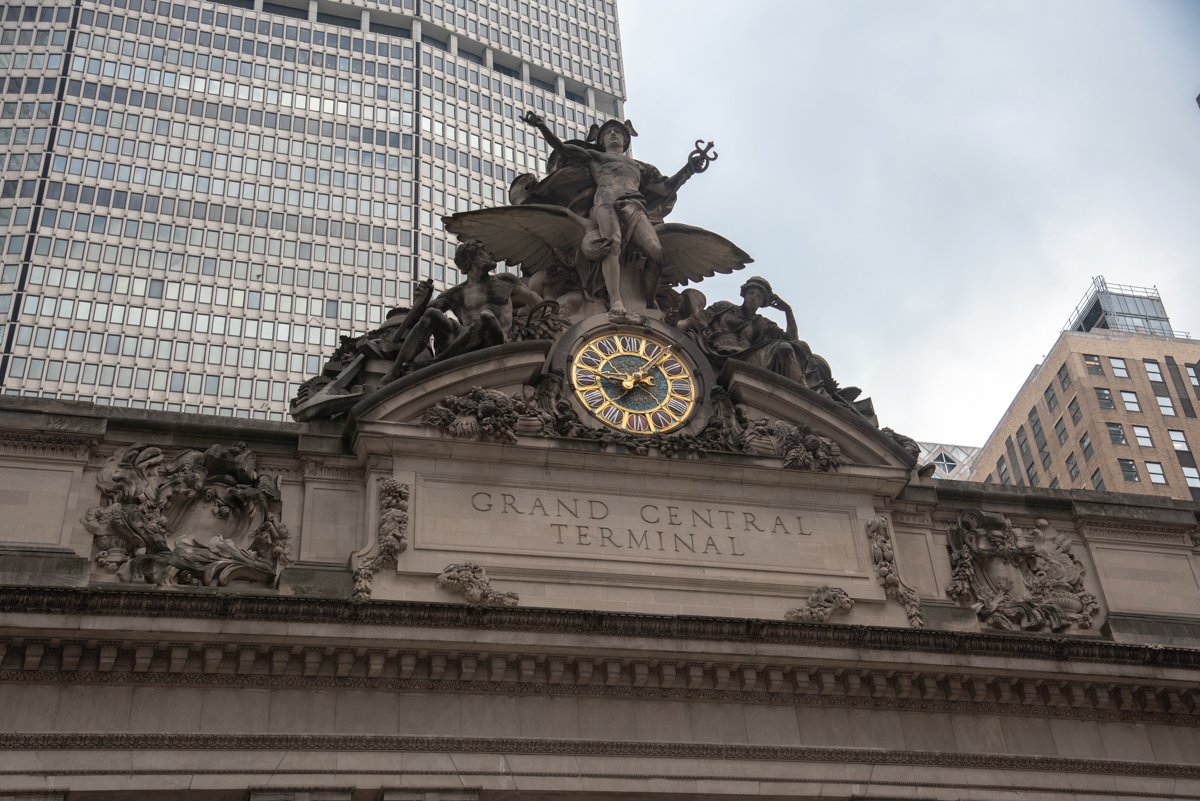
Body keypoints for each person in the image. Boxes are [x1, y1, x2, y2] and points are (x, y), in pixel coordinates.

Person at [520, 111, 697, 313]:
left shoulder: (641, 167)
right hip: (606, 201)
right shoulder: (596, 157)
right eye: (608, 132)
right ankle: (616, 301)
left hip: (634, 204)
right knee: (612, 243)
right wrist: (542, 126)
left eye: (618, 131)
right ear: (602, 140)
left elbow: (665, 188)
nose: (613, 134)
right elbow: (563, 148)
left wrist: (688, 169)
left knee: (655, 251)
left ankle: (649, 301)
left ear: (626, 140)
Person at [387, 240, 542, 378]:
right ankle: (393, 373)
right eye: (483, 252)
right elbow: (419, 319)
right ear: (470, 260)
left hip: (493, 340)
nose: (490, 253)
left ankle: (433, 364)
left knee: (486, 317)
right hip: (462, 343)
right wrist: (422, 299)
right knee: (432, 313)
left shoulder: (506, 281)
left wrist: (528, 322)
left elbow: (538, 303)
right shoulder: (455, 293)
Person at [679, 276, 820, 387]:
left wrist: (788, 311)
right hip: (714, 349)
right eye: (751, 293)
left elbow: (792, 340)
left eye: (759, 296)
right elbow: (695, 321)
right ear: (744, 293)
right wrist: (673, 326)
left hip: (746, 358)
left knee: (786, 348)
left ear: (763, 302)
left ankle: (802, 393)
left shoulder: (763, 324)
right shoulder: (724, 307)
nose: (753, 298)